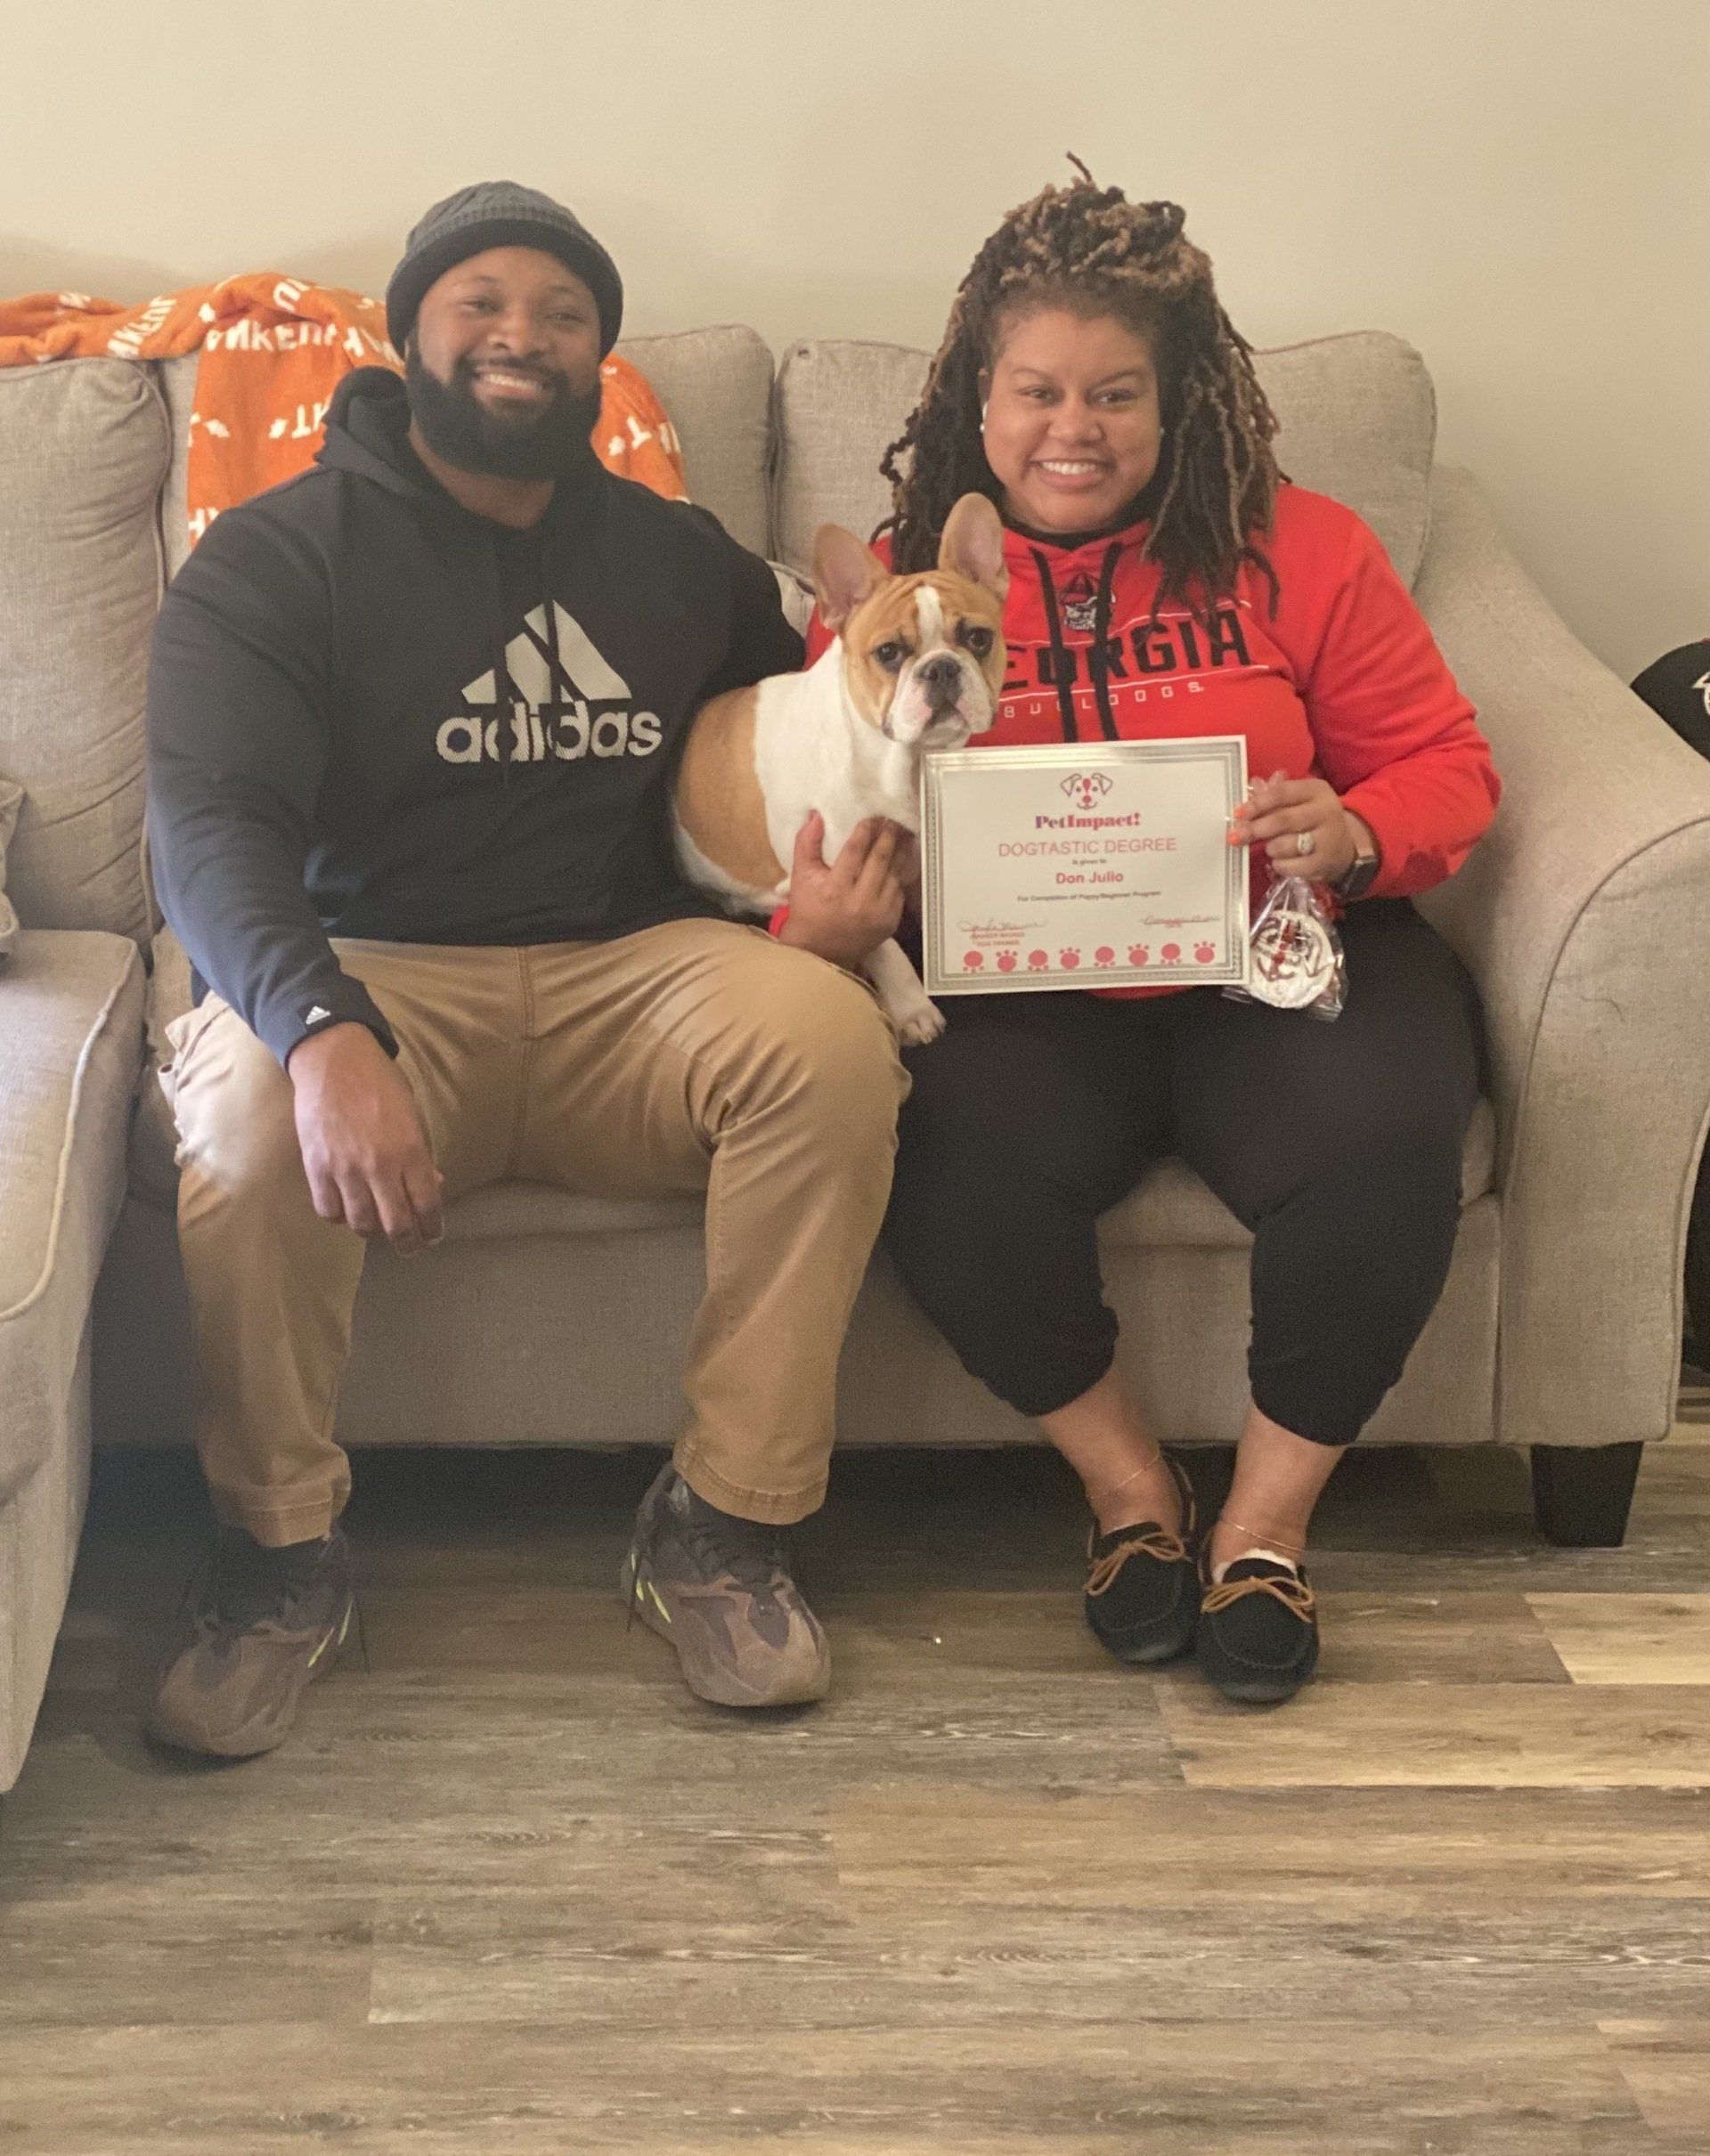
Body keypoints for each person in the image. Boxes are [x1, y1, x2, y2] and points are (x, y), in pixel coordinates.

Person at [145, 182, 910, 1755]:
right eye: (482, 302)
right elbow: (206, 825)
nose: (524, 336)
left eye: (564, 316)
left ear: (597, 363)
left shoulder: (677, 562)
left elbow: (804, 727)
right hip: (375, 970)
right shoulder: (279, 558)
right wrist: (319, 1028)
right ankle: (278, 1557)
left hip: (631, 972)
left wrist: (811, 911)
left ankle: (722, 1523)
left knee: (833, 1043)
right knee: (240, 1112)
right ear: (409, 336)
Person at [794, 173, 1501, 1704]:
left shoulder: (1302, 547)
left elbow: (1448, 765)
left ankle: (1265, 1528)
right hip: (1028, 993)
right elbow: (825, 805)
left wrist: (1354, 827)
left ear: (1177, 404)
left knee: (1387, 1135)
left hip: (1278, 955)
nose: (1076, 428)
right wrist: (838, 915)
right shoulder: (912, 597)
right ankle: (1132, 1494)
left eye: (1116, 393)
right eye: (1038, 391)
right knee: (922, 1139)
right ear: (981, 402)